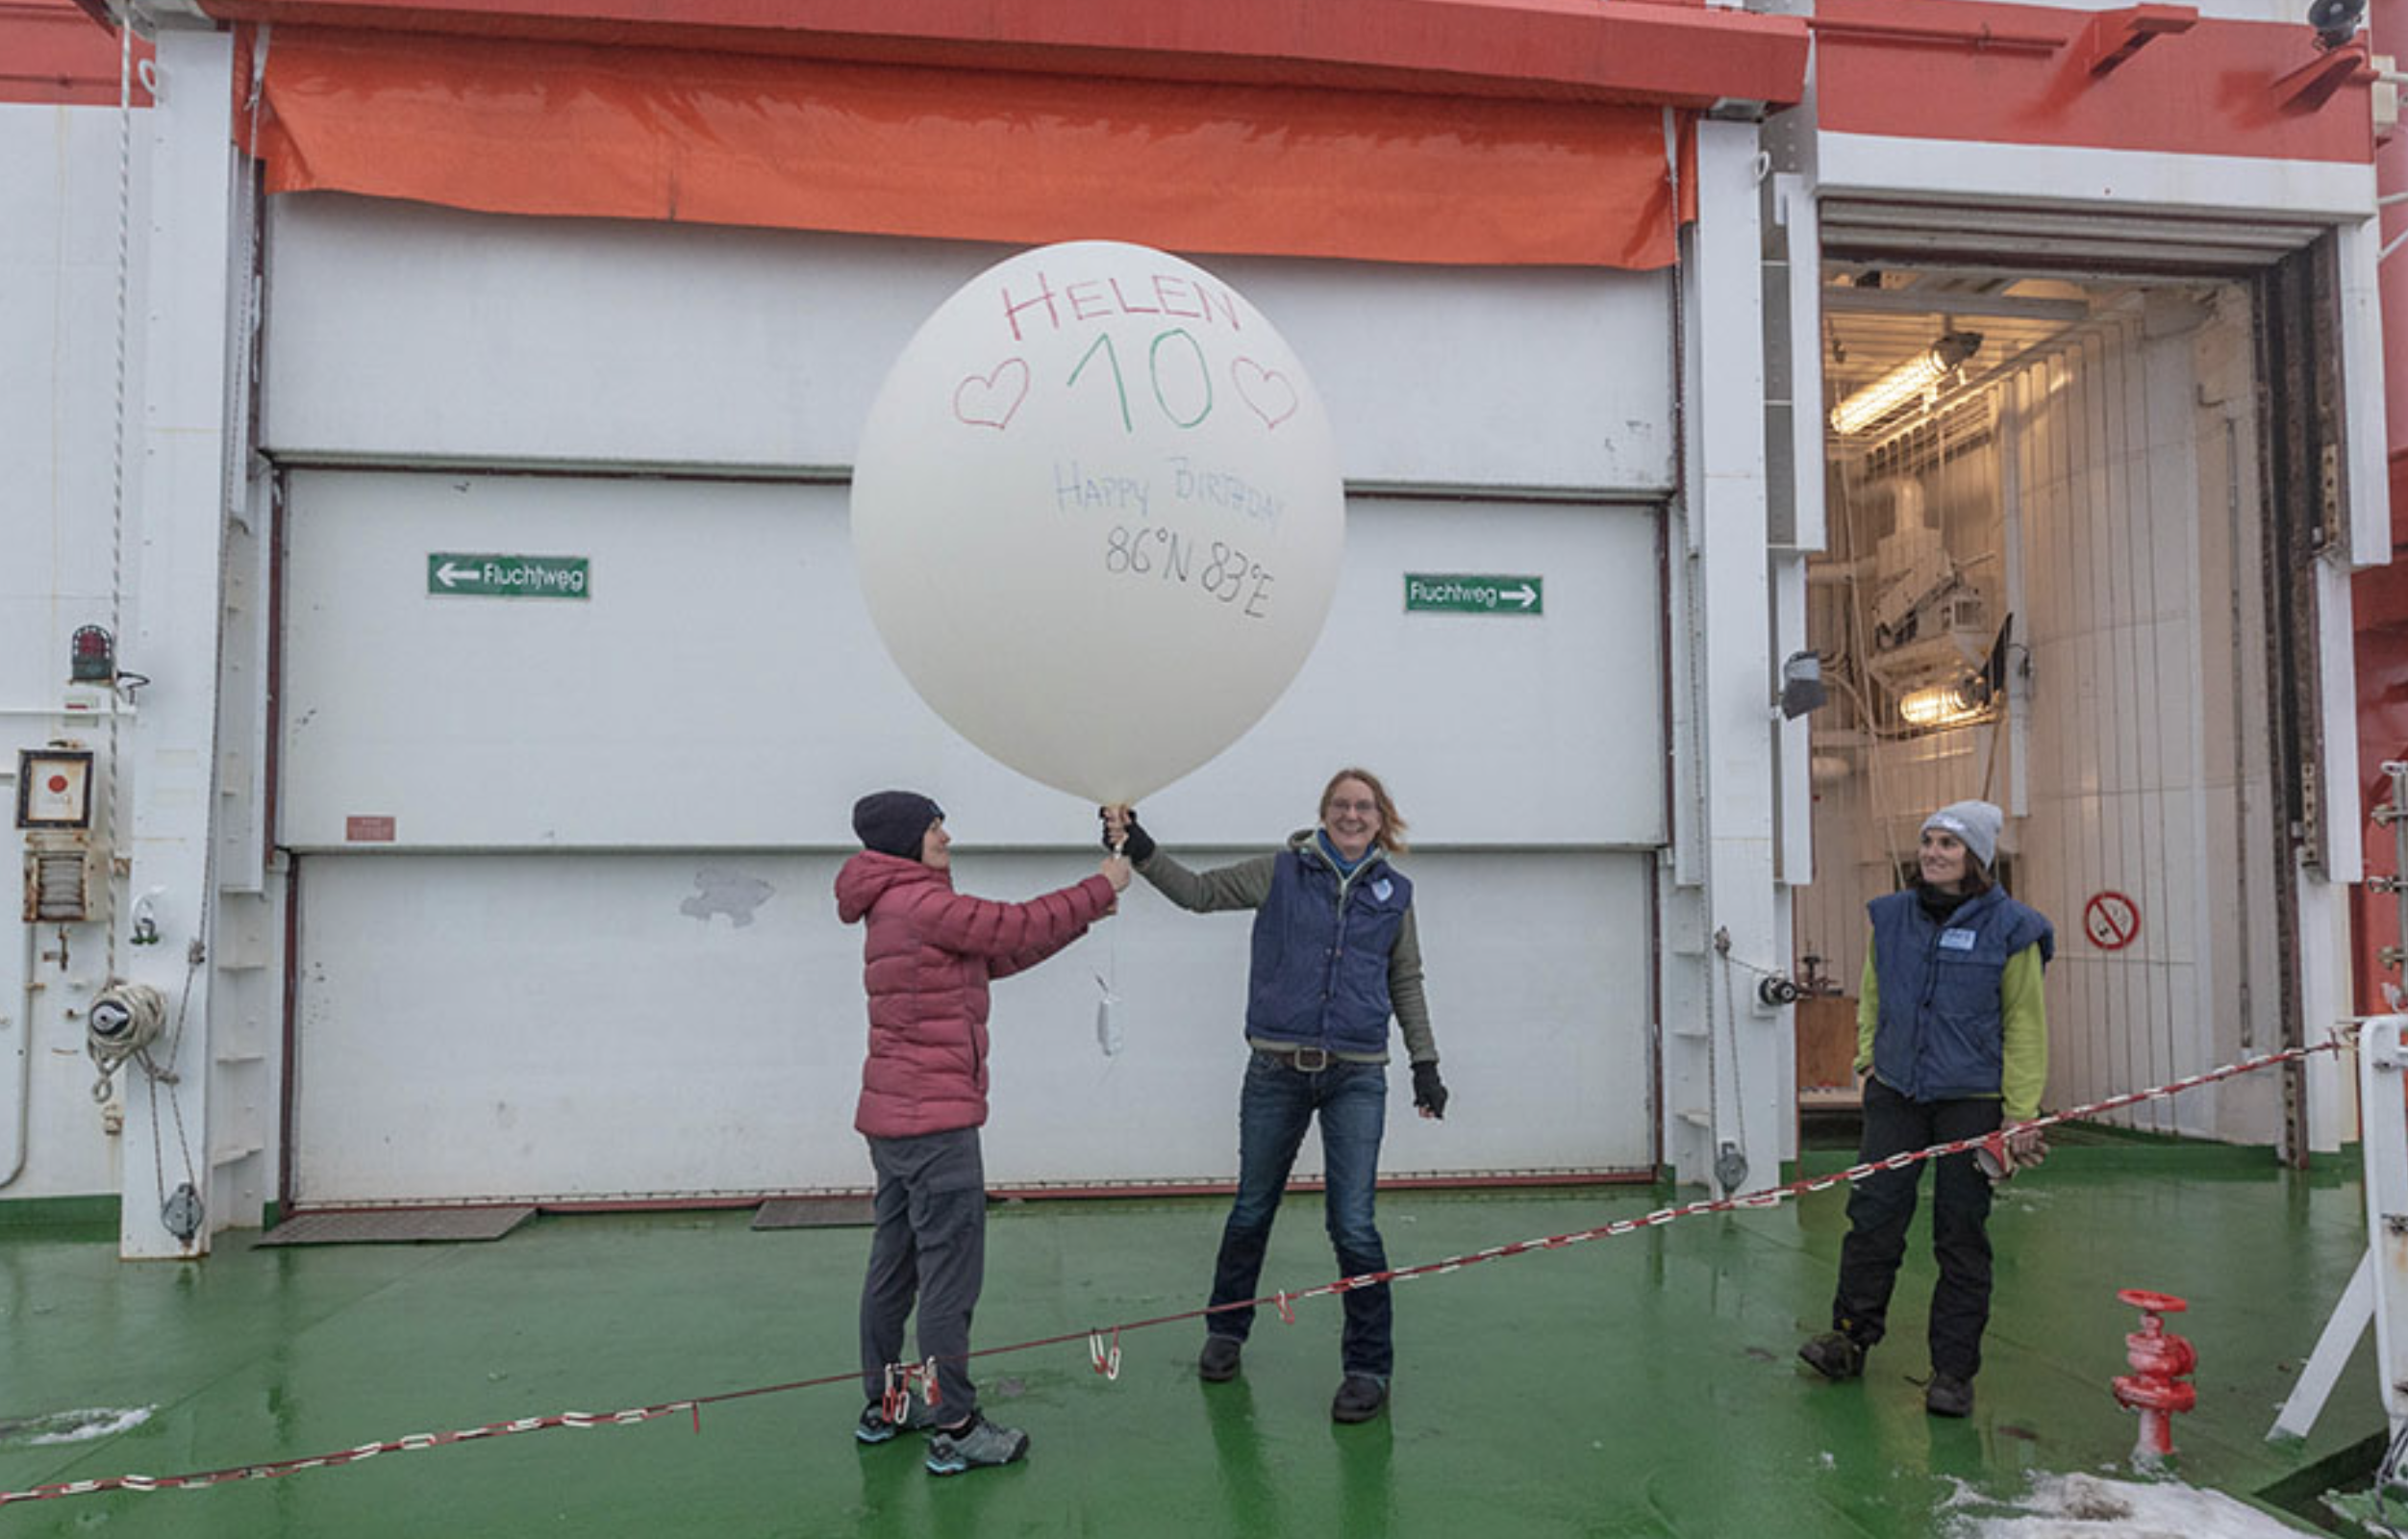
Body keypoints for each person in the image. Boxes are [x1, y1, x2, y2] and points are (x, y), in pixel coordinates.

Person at [1103, 768, 1446, 1425]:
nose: (1351, 816)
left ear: (1382, 819)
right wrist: (1142, 850)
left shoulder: (1393, 893)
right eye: (1341, 805)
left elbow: (1407, 980)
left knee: (1353, 1224)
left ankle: (1369, 1370)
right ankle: (1226, 1332)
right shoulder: (1281, 872)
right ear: (1323, 812)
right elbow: (1199, 894)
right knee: (1252, 1207)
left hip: (1356, 1076)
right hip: (1275, 1071)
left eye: (1364, 807)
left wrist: (1424, 1063)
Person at [836, 790, 1131, 1476]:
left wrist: (1086, 915)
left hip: (897, 1121)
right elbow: (1009, 924)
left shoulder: (898, 904)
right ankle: (957, 1426)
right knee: (948, 1279)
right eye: (935, 826)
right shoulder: (920, 902)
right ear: (907, 838)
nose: (946, 835)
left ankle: (885, 1407)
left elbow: (997, 954)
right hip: (936, 1125)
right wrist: (1099, 886)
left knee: (895, 1265)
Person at [1798, 798, 2053, 1419]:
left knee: (1960, 1233)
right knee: (1873, 1216)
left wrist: (2020, 1113)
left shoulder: (2013, 929)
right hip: (1898, 1095)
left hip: (1971, 1101)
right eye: (1929, 841)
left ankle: (1953, 1372)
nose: (1934, 853)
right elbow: (1873, 996)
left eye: (1949, 844)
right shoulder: (1892, 919)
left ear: (1976, 859)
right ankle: (1850, 1337)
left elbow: (2025, 1024)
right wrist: (1867, 1062)